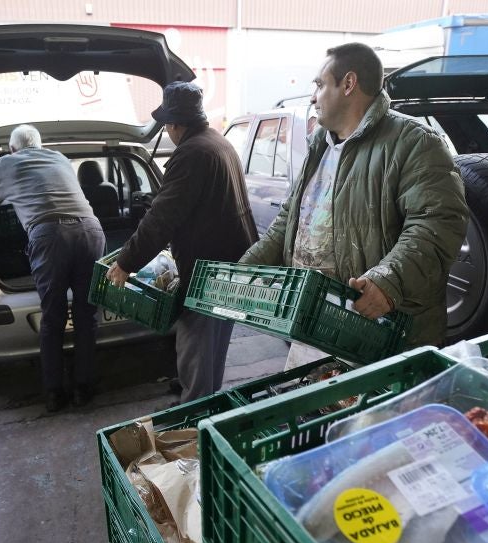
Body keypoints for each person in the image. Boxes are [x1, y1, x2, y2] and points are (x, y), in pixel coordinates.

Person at [240, 43, 469, 369]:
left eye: (319, 85)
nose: (313, 97)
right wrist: (246, 269)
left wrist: (389, 281)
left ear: (348, 84)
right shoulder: (319, 143)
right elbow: (291, 218)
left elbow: (437, 224)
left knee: (369, 404)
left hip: (380, 330)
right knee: (311, 400)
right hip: (315, 322)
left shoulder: (414, 142)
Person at [106, 81, 258, 404]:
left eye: (166, 124)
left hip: (207, 274)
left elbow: (161, 217)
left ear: (175, 124)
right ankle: (206, 408)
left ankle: (194, 422)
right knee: (213, 350)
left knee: (196, 352)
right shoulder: (219, 142)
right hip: (232, 266)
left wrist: (125, 262)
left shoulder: (191, 153)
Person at [0, 124, 105, 412]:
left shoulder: (8, 162)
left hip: (50, 236)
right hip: (91, 231)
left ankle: (55, 393)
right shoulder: (59, 158)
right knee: (86, 314)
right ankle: (84, 388)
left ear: (12, 148)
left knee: (53, 316)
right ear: (40, 144)